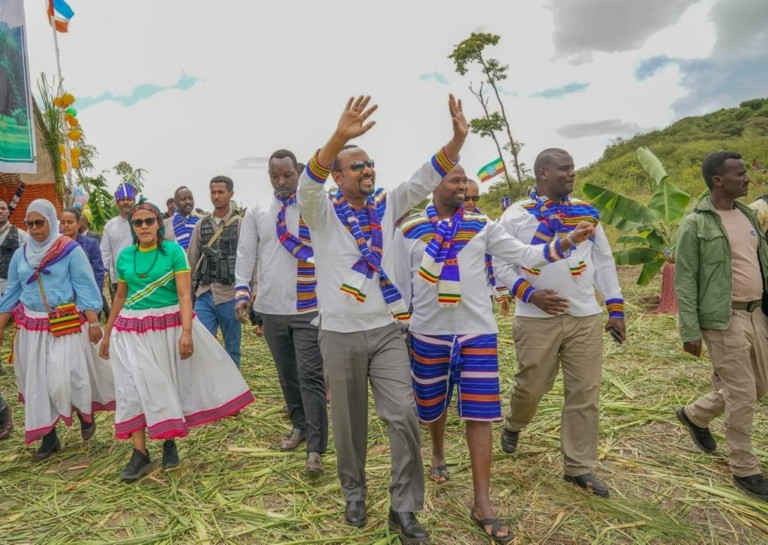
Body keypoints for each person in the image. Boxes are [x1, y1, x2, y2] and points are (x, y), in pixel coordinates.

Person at [298, 94, 467, 543]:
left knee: (404, 414)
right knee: (349, 424)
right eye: (357, 166)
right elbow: (306, 187)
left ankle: (404, 507)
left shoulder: (388, 206)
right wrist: (338, 138)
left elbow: (422, 178)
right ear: (337, 175)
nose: (367, 170)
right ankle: (354, 492)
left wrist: (456, 140)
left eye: (370, 164)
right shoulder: (321, 213)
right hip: (338, 333)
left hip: (389, 329)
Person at [398, 165, 595, 544]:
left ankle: (482, 504)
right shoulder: (408, 230)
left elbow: (527, 255)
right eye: (453, 180)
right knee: (432, 407)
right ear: (433, 185)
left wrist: (567, 241)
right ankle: (437, 452)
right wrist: (402, 326)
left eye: (464, 181)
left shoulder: (482, 225)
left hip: (477, 333)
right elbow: (398, 281)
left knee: (480, 414)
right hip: (427, 332)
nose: (462, 186)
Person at [494, 148, 625, 498]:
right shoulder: (517, 215)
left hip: (584, 317)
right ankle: (514, 423)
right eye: (564, 169)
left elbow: (604, 261)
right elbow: (500, 264)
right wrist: (529, 294)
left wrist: (615, 308)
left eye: (573, 168)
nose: (571, 174)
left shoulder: (585, 212)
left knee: (585, 392)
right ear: (542, 174)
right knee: (531, 387)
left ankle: (578, 466)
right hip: (536, 319)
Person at [99, 201, 254, 482]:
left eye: (149, 221)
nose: (144, 227)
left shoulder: (174, 252)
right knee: (132, 388)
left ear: (159, 223)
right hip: (131, 330)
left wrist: (186, 331)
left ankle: (168, 441)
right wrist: (108, 332)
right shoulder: (125, 257)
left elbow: (184, 295)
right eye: (138, 223)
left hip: (165, 327)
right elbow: (119, 296)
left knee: (164, 384)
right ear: (132, 228)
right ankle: (140, 453)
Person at [675, 151, 768, 502]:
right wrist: (690, 330)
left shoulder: (748, 216)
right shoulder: (695, 225)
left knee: (759, 386)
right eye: (740, 174)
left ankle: (694, 415)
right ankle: (745, 468)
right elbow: (685, 280)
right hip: (722, 317)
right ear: (719, 180)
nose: (747, 179)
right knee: (743, 393)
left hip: (756, 313)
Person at [235, 149, 328, 476]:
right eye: (275, 176)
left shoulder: (315, 205)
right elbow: (246, 253)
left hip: (309, 305)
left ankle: (316, 449)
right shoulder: (258, 209)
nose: (282, 181)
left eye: (287, 175)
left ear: (298, 172)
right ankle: (299, 426)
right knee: (287, 375)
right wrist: (242, 292)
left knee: (310, 375)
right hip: (272, 308)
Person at [0, 199, 114, 461]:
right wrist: (1, 324)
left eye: (40, 223)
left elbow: (86, 286)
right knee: (37, 382)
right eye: (30, 223)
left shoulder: (70, 250)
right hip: (32, 327)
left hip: (65, 324)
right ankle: (49, 439)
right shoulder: (21, 254)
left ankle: (84, 413)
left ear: (50, 222)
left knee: (65, 378)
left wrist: (94, 322)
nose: (35, 228)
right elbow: (13, 291)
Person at [187, 176, 243, 367]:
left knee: (232, 348)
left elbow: (248, 260)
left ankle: (234, 391)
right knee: (202, 345)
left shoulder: (240, 224)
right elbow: (192, 260)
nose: (216, 196)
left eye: (221, 192)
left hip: (230, 295)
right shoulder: (201, 225)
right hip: (204, 293)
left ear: (231, 194)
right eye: (213, 192)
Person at [465, 179, 510, 317]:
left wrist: (502, 292)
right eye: (466, 198)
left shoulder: (485, 224)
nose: (471, 202)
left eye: (475, 198)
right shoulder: (444, 227)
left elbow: (497, 257)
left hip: (484, 292)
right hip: (459, 295)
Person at [101, 183, 138, 293]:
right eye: (122, 200)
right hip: (118, 277)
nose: (126, 202)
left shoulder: (141, 222)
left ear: (134, 201)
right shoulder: (110, 225)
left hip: (141, 274)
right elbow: (104, 251)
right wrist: (102, 272)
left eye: (129, 199)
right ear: (117, 203)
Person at [60, 207, 106, 293]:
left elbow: (98, 272)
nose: (66, 225)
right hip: (62, 295)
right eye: (62, 223)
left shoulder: (91, 244)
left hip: (86, 293)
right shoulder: (55, 245)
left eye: (70, 222)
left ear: (78, 224)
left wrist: (96, 295)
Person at [0, 199, 29, 294]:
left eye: (3, 208)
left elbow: (28, 262)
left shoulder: (21, 235)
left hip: (10, 288)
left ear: (8, 212)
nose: (0, 211)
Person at [164, 186, 199, 251]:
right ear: (175, 202)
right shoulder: (165, 224)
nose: (188, 202)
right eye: (183, 199)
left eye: (190, 198)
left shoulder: (202, 221)